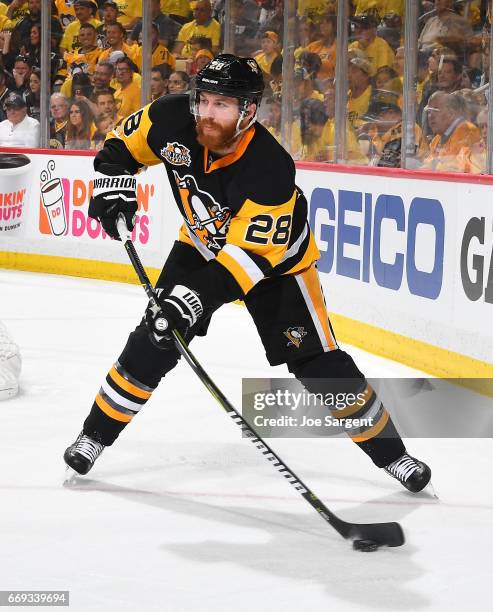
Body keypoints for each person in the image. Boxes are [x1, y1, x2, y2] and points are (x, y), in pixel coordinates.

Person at [63, 53, 431, 495]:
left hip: (277, 266)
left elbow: (247, 262)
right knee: (155, 337)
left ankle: (394, 455)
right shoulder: (170, 117)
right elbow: (120, 148)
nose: (208, 113)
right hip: (202, 244)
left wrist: (192, 300)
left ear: (249, 111)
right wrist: (112, 184)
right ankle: (94, 436)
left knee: (318, 363)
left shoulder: (270, 167)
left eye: (223, 104)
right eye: (205, 101)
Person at [421, 90, 480, 171]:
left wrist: (435, 165)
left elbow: (457, 168)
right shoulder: (437, 139)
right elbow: (426, 166)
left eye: (435, 110)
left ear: (451, 113)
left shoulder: (467, 131)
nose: (430, 116)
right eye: (429, 111)